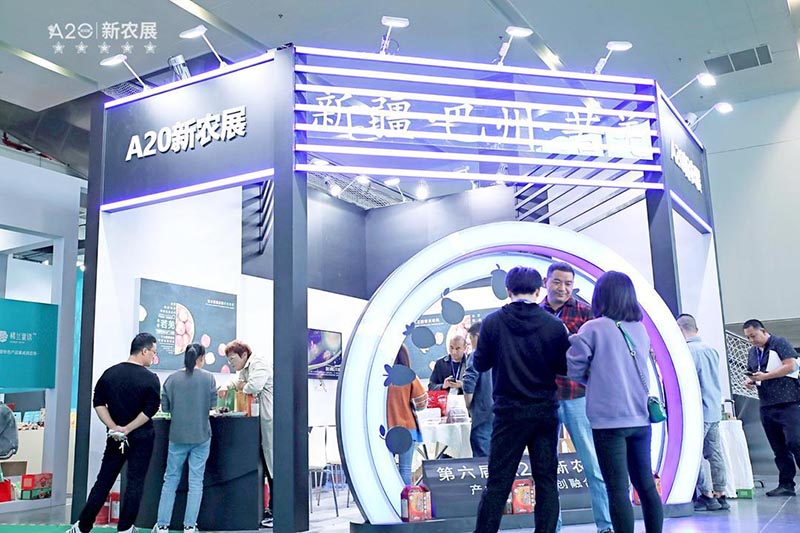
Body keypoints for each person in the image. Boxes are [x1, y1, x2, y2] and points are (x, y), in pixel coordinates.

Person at [472, 266, 570, 533]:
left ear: (508, 291)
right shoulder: (554, 325)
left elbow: (480, 364)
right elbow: (563, 368)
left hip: (508, 413)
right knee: (546, 481)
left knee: (498, 483)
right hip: (545, 412)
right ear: (539, 291)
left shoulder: (492, 323)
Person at [568, 271, 663, 533]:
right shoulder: (639, 329)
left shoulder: (593, 328)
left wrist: (595, 377)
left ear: (600, 296)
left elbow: (574, 369)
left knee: (617, 489)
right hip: (640, 418)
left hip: (607, 421)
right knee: (645, 484)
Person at [541, 262, 613, 533]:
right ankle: (552, 527)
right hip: (544, 399)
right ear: (546, 282)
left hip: (578, 396)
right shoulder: (536, 314)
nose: (563, 288)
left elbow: (598, 353)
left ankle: (605, 526)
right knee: (546, 468)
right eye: (557, 282)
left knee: (593, 465)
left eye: (568, 284)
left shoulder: (585, 313)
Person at [68, 333, 161, 533]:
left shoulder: (110, 374)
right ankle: (125, 528)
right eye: (153, 352)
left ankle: (82, 527)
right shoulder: (151, 379)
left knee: (104, 481)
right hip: (142, 438)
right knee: (135, 483)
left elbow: (98, 402)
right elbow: (150, 410)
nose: (154, 356)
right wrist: (129, 428)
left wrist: (114, 427)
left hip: (115, 438)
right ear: (144, 351)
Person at [153, 344, 217, 533]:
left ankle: (162, 525)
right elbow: (213, 406)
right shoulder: (209, 378)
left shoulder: (171, 379)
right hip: (202, 435)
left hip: (177, 436)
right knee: (196, 481)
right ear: (202, 358)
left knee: (170, 480)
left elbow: (165, 408)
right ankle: (189, 526)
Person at [676, 314, 728, 511]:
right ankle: (721, 494)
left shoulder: (686, 352)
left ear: (680, 329)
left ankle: (706, 494)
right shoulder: (710, 350)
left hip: (697, 412)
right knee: (715, 454)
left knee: (693, 454)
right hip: (713, 409)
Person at [743, 319, 800, 497]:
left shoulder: (779, 343)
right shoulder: (752, 352)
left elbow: (791, 365)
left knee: (795, 442)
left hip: (788, 402)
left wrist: (765, 376)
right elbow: (753, 372)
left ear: (763, 331)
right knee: (778, 447)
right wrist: (751, 381)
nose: (751, 340)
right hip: (767, 404)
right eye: (748, 337)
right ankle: (786, 484)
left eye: (753, 336)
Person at [225, 340, 275, 528]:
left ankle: (275, 510)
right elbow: (239, 381)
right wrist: (228, 386)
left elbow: (253, 386)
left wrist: (241, 385)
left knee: (272, 466)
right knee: (267, 465)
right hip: (262, 421)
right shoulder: (246, 367)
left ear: (244, 355)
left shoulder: (258, 362)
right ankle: (269, 508)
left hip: (270, 419)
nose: (231, 363)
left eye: (233, 359)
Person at [387, 345, 428, 485]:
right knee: (405, 469)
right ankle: (404, 497)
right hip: (408, 428)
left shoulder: (381, 377)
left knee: (387, 467)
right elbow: (422, 402)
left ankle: (389, 496)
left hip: (387, 429)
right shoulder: (410, 377)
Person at [462, 321, 493, 457]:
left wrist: (468, 405)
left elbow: (469, 383)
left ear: (478, 335)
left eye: (471, 338)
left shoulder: (477, 355)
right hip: (503, 409)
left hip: (483, 409)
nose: (471, 343)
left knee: (482, 455)